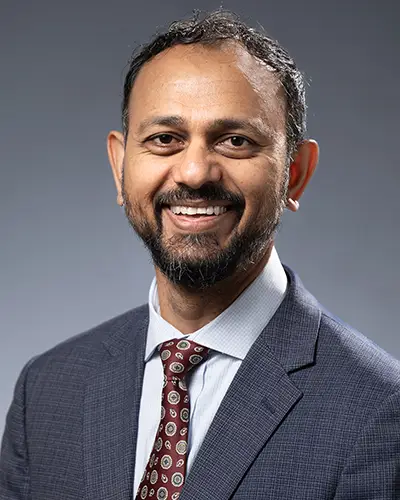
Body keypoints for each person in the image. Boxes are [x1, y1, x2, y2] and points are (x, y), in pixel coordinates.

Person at [1, 9, 399, 500]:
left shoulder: (380, 411)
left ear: (295, 174)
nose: (193, 172)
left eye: (235, 141)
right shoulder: (46, 391)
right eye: (165, 139)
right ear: (120, 166)